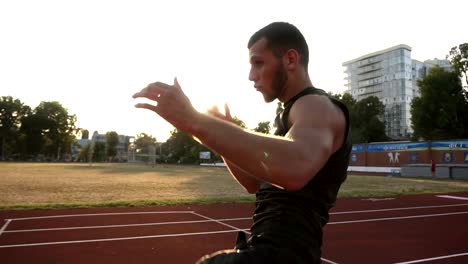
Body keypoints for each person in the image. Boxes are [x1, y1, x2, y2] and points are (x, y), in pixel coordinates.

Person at [133, 22, 352, 264]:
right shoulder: (290, 115)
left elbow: (295, 169)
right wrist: (218, 134)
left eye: (258, 63)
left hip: (283, 255)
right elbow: (253, 183)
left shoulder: (316, 106)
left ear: (290, 59)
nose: (251, 75)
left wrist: (194, 120)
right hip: (268, 250)